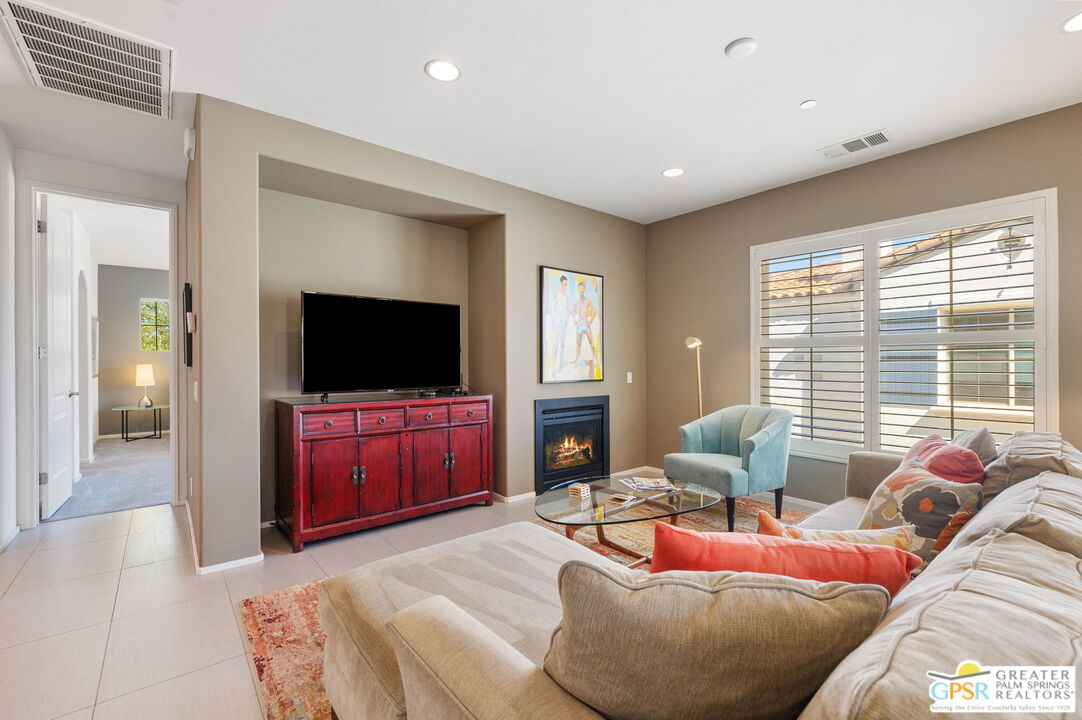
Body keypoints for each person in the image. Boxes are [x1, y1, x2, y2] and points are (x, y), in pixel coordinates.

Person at [573, 280, 597, 374]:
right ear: (578, 289)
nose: (581, 289)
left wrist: (590, 321)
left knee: (592, 343)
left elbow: (594, 311)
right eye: (580, 288)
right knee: (578, 345)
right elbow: (573, 311)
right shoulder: (577, 300)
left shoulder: (588, 301)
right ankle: (576, 362)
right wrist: (575, 321)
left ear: (584, 289)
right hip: (580, 325)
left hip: (586, 324)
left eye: (582, 288)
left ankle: (597, 360)